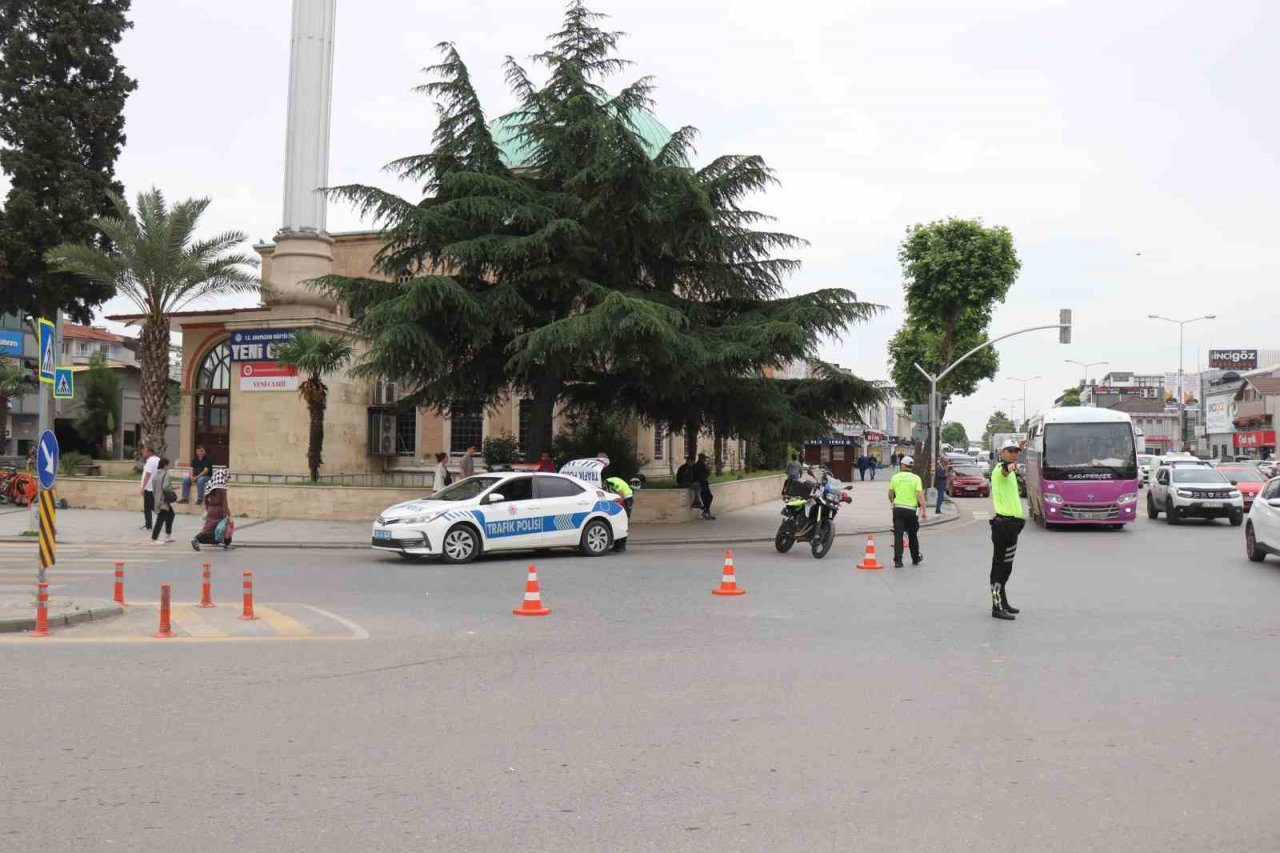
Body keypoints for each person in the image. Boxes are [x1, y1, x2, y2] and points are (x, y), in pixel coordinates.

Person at [988, 438, 1027, 621]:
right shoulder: (1000, 469)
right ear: (1001, 453)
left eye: (1015, 451)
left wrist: (1020, 448)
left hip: (1012, 525)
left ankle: (1003, 601)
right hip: (1004, 526)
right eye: (1009, 451)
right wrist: (1009, 466)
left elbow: (1010, 466)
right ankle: (997, 606)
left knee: (1007, 567)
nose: (1013, 454)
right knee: (1000, 568)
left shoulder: (1010, 469)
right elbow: (1004, 470)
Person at [887, 455, 927, 567]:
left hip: (898, 509)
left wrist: (892, 502)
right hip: (911, 511)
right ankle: (915, 558)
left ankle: (898, 561)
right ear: (911, 466)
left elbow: (890, 493)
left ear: (902, 465)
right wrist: (924, 510)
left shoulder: (895, 477)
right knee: (912, 535)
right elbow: (920, 494)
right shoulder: (916, 478)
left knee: (898, 535)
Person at [191, 469, 233, 551]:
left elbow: (206, 501)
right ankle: (226, 543)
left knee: (209, 528)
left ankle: (198, 539)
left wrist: (208, 510)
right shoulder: (222, 488)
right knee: (225, 526)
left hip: (211, 510)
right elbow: (225, 503)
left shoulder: (209, 486)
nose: (225, 480)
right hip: (219, 510)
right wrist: (228, 514)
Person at [603, 471, 634, 551]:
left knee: (624, 521)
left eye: (603, 487)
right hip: (625, 499)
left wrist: (621, 506)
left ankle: (622, 546)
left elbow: (621, 494)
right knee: (618, 521)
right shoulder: (610, 482)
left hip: (627, 499)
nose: (604, 488)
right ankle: (617, 545)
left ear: (604, 482)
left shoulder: (612, 483)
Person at [150, 457, 176, 545]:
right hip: (163, 500)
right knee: (161, 518)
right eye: (168, 465)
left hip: (157, 498)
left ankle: (168, 535)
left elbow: (154, 487)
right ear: (165, 465)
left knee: (171, 514)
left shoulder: (156, 474)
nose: (168, 467)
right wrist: (172, 488)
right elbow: (165, 487)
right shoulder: (166, 474)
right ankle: (154, 538)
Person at [139, 446, 159, 530]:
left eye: (145, 451)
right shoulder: (158, 459)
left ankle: (148, 525)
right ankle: (164, 518)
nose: (143, 453)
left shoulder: (150, 461)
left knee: (148, 507)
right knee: (152, 506)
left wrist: (143, 487)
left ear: (150, 452)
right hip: (155, 486)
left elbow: (147, 474)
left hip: (149, 487)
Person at [691, 452, 715, 520]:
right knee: (709, 497)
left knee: (707, 498)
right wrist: (708, 472)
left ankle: (706, 511)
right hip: (701, 484)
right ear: (700, 458)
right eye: (704, 458)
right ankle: (706, 511)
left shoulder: (700, 465)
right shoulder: (699, 466)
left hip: (703, 483)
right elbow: (702, 476)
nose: (705, 460)